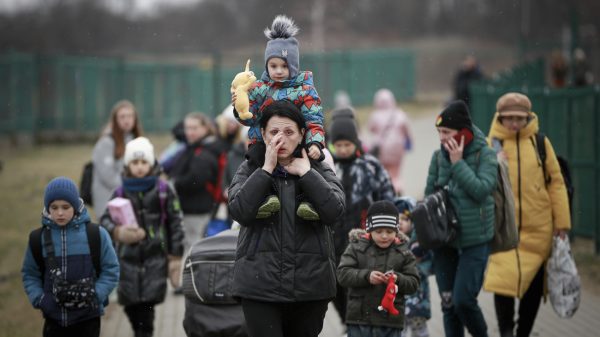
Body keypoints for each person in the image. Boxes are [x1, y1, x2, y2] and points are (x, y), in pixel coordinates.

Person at [227, 100, 345, 337]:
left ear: (302, 134)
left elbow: (334, 211)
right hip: (259, 288)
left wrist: (307, 173)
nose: (281, 138)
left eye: (289, 132)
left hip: (310, 288)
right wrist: (266, 170)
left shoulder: (319, 167)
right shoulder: (251, 167)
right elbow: (239, 210)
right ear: (262, 133)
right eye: (273, 132)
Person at [483, 92, 571, 337]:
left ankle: (524, 331)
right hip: (503, 231)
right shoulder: (490, 146)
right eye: (509, 118)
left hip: (538, 227)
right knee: (503, 283)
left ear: (528, 117)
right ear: (500, 118)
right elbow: (481, 184)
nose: (514, 123)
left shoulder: (541, 144)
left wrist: (561, 222)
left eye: (519, 118)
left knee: (533, 286)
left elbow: (556, 183)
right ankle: (506, 331)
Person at [232, 15, 326, 220]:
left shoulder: (305, 90)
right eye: (273, 66)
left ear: (293, 66)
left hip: (295, 142)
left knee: (306, 163)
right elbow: (251, 118)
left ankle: (307, 201)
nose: (279, 71)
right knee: (256, 159)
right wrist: (241, 110)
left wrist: (315, 144)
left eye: (284, 66)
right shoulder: (258, 89)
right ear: (267, 66)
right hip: (263, 141)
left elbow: (314, 119)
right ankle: (265, 199)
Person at [425, 100, 497, 337]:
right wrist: (417, 241)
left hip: (475, 241)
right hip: (444, 242)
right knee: (449, 306)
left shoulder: (485, 155)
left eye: (446, 132)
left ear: (463, 133)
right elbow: (427, 203)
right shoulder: (438, 157)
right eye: (439, 133)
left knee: (463, 301)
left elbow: (481, 190)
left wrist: (458, 164)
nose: (442, 138)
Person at [100, 137, 185, 337]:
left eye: (144, 162)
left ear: (151, 164)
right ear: (128, 165)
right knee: (131, 307)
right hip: (127, 261)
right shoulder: (119, 192)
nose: (139, 167)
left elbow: (175, 223)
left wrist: (175, 256)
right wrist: (118, 232)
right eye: (135, 163)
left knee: (146, 314)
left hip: (155, 260)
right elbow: (104, 220)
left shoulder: (163, 191)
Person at [22, 177, 119, 337]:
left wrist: (96, 295)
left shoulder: (96, 234)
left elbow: (111, 269)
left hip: (88, 320)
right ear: (47, 208)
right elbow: (29, 274)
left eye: (66, 207)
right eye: (54, 207)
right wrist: (40, 299)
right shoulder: (37, 239)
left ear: (75, 205)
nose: (60, 212)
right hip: (53, 321)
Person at [328, 108, 395, 323]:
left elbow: (387, 196)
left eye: (347, 145)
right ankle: (347, 322)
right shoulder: (328, 168)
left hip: (363, 238)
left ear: (356, 142)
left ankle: (359, 323)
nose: (343, 150)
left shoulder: (370, 166)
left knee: (358, 286)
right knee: (335, 287)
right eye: (338, 146)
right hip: (333, 240)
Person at [337, 200, 420, 337]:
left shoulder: (404, 252)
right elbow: (342, 274)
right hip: (359, 320)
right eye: (379, 231)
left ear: (396, 230)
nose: (384, 236)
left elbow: (414, 283)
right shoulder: (356, 247)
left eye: (389, 231)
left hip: (390, 323)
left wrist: (397, 279)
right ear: (369, 229)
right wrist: (367, 276)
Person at [167, 112, 220, 252]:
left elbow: (196, 180)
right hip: (191, 207)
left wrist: (175, 184)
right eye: (187, 128)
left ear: (205, 129)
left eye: (194, 128)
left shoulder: (205, 152)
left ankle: (190, 274)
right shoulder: (193, 148)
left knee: (193, 248)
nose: (190, 132)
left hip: (197, 209)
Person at [92, 100, 143, 218]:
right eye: (122, 116)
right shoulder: (106, 143)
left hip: (131, 201)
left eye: (130, 116)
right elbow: (108, 177)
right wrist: (133, 186)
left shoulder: (136, 140)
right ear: (115, 120)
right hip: (109, 201)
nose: (127, 120)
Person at [394, 197, 432, 337]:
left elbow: (427, 266)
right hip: (397, 302)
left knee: (419, 331)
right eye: (397, 219)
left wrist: (415, 261)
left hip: (418, 301)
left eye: (405, 219)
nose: (400, 223)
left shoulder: (419, 244)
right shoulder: (391, 243)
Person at [366, 88, 413, 194]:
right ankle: (397, 187)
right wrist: (409, 142)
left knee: (383, 171)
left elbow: (371, 129)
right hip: (397, 148)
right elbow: (407, 131)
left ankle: (386, 189)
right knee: (396, 172)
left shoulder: (375, 115)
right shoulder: (400, 114)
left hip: (381, 149)